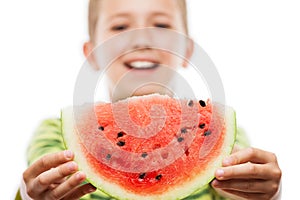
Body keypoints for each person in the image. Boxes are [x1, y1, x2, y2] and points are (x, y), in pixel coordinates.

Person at [17, 0, 282, 199]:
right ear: (92, 53)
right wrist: (30, 194)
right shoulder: (55, 133)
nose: (141, 38)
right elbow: (43, 185)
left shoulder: (225, 138)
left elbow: (237, 191)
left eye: (162, 25)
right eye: (120, 26)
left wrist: (266, 193)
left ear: (186, 50)